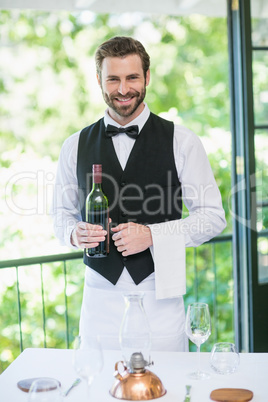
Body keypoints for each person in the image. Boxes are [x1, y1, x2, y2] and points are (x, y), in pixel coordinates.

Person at [51, 36, 226, 352]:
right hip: (99, 305)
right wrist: (73, 233)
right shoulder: (73, 145)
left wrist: (153, 235)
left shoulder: (183, 142)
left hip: (161, 300)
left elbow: (213, 219)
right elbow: (60, 216)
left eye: (132, 77)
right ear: (99, 80)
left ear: (147, 77)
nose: (122, 89)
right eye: (113, 79)